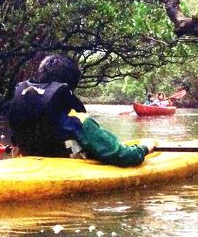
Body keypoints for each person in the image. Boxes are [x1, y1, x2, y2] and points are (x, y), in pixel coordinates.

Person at [8, 55, 156, 167]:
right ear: (69, 87)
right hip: (63, 171)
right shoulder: (77, 120)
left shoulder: (21, 111)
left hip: (32, 167)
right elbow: (124, 156)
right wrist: (146, 147)